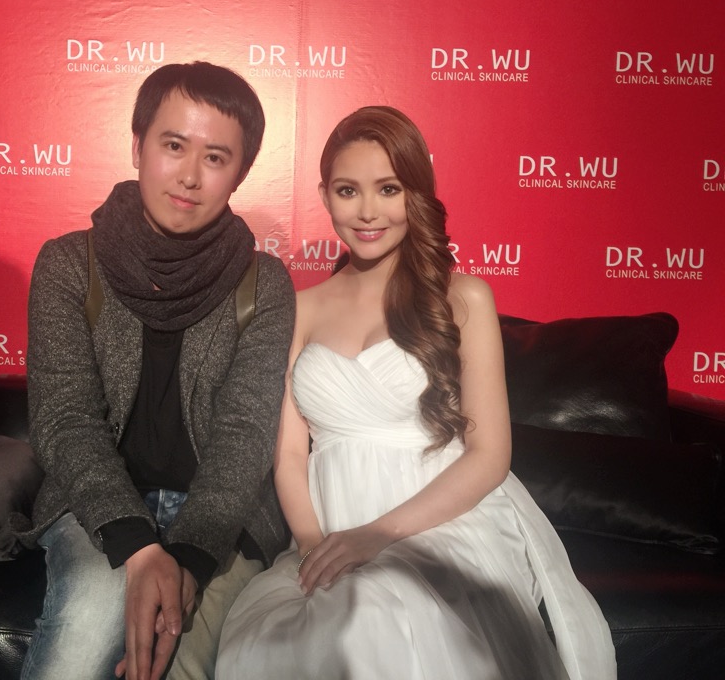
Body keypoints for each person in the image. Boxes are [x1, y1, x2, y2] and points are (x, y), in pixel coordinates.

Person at [216, 106, 616, 679]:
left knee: (377, 618)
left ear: (417, 194)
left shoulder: (464, 297)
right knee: (287, 638)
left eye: (389, 189)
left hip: (441, 522)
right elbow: (289, 456)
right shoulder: (299, 310)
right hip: (329, 528)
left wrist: (377, 535)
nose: (368, 211)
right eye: (349, 190)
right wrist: (312, 548)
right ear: (325, 195)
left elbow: (490, 456)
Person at [17, 62, 295, 680]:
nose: (190, 175)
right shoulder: (68, 264)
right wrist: (137, 546)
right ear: (138, 146)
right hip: (99, 507)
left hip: (220, 518)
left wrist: (191, 557)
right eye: (174, 146)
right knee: (86, 627)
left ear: (240, 172)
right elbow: (64, 417)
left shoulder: (264, 283)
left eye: (216, 158)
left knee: (187, 650)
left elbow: (246, 432)